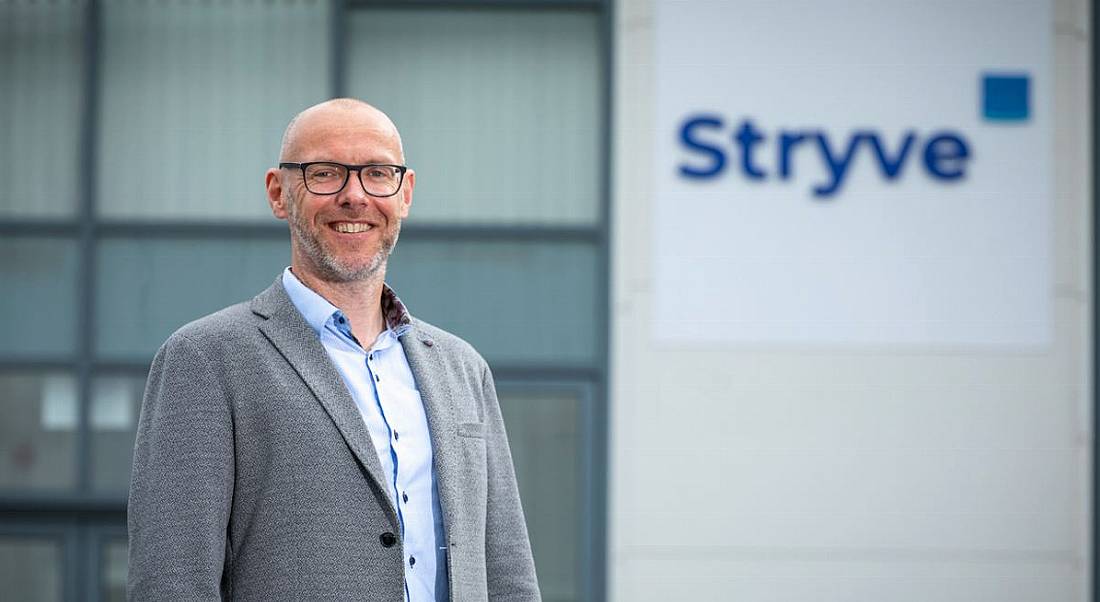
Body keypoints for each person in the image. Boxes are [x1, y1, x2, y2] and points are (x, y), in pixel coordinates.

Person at [127, 98, 540, 601]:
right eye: (325, 174)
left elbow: (508, 574)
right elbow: (172, 583)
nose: (355, 196)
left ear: (405, 193)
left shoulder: (462, 368)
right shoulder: (205, 359)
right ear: (279, 194)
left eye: (377, 173)